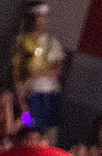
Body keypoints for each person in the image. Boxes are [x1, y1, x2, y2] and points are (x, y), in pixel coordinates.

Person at [10, 2, 65, 135]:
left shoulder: (53, 44)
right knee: (24, 133)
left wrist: (40, 73)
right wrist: (23, 107)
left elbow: (57, 70)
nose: (41, 21)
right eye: (38, 17)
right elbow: (16, 75)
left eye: (44, 17)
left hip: (46, 99)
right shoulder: (22, 42)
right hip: (28, 97)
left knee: (41, 139)